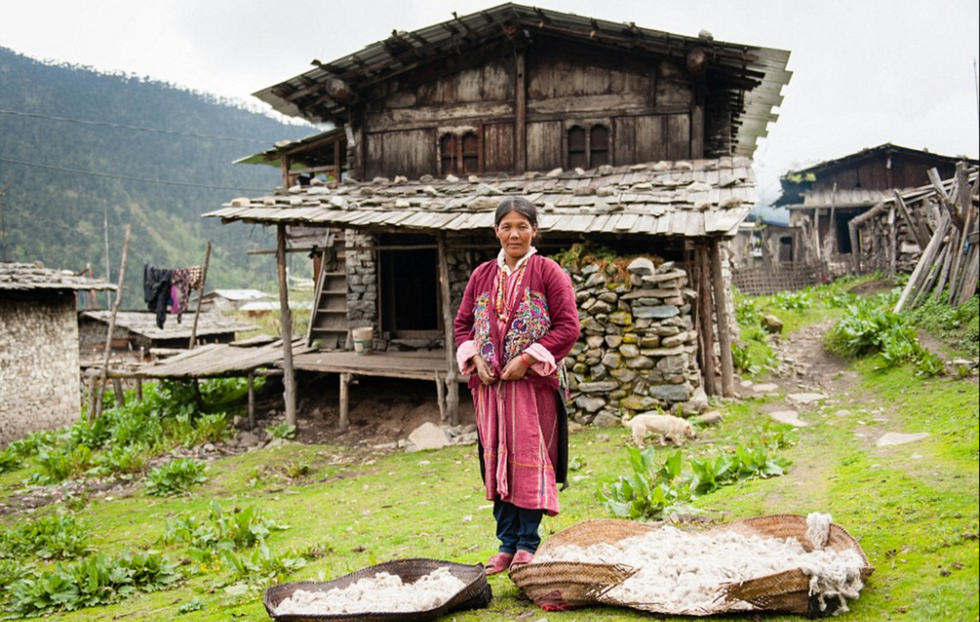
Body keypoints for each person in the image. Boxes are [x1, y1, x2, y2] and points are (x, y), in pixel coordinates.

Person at [453, 197, 580, 575]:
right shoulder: (481, 276)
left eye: (522, 226)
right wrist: (476, 358)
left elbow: (567, 327)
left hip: (531, 389)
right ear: (496, 231)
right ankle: (505, 545)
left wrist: (526, 359)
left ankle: (528, 543)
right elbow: (462, 326)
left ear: (534, 230)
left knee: (527, 462)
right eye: (506, 227)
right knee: (496, 462)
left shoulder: (548, 272)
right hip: (490, 390)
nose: (514, 234)